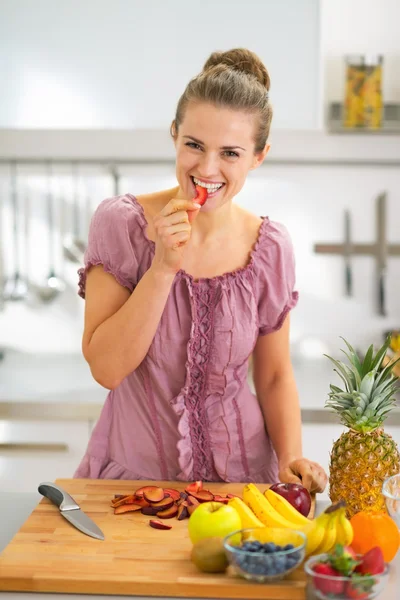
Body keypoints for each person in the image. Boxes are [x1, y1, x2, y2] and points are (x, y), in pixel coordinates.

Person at [74, 48, 328, 494]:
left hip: (244, 484)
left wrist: (290, 456)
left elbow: (273, 375)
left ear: (258, 156)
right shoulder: (122, 225)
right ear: (174, 135)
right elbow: (107, 369)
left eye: (230, 152)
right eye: (194, 144)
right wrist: (162, 267)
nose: (207, 169)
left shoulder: (269, 248)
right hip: (135, 481)